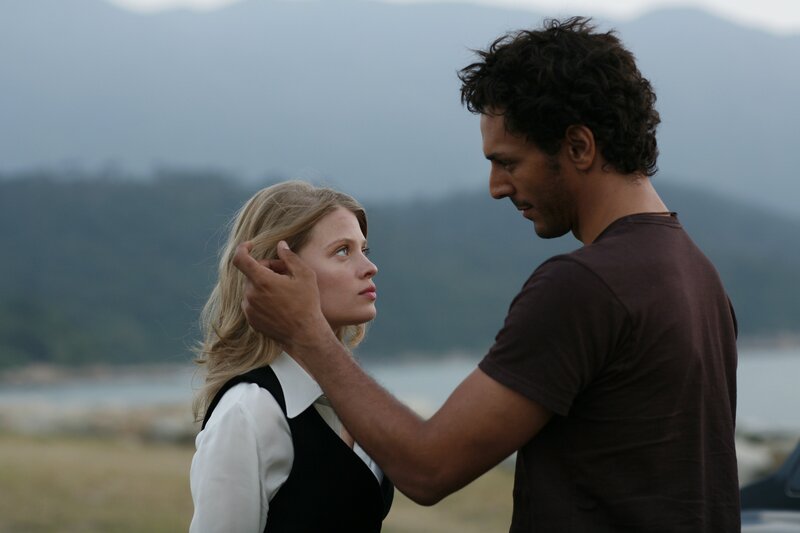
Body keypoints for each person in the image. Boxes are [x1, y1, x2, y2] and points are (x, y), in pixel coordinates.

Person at [232, 17, 740, 532]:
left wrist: (310, 334)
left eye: (508, 162)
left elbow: (428, 468)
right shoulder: (700, 276)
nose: (496, 187)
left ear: (579, 147)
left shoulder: (583, 288)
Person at [189, 181, 393, 532]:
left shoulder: (352, 397)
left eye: (364, 249)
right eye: (342, 251)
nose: (370, 266)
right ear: (275, 272)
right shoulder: (248, 412)